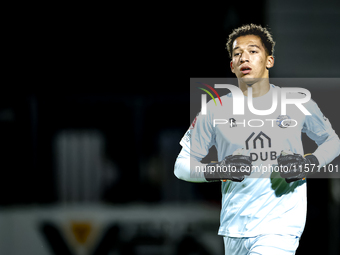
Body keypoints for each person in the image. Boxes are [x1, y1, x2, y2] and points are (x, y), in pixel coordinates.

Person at [174, 24, 340, 254]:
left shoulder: (298, 103)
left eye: (253, 51)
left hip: (279, 227)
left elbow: (332, 142)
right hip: (234, 228)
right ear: (232, 66)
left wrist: (306, 164)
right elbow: (181, 167)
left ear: (269, 60)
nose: (244, 57)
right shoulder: (213, 111)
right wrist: (219, 170)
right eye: (237, 53)